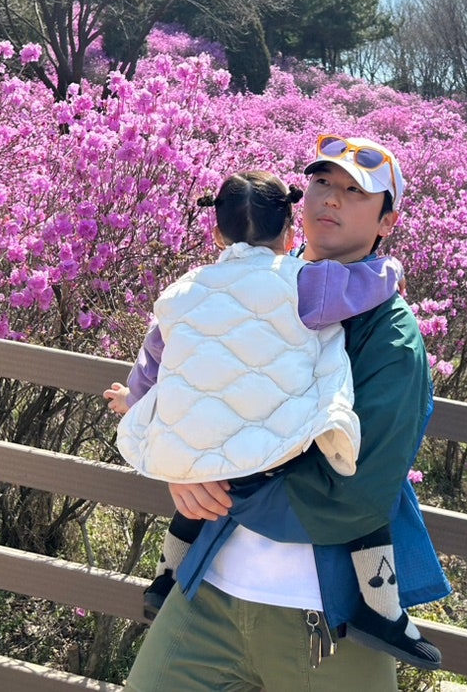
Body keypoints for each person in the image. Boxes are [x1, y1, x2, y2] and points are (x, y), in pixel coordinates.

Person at [124, 136, 450, 692]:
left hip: (324, 620)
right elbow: (194, 393)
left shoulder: (391, 336)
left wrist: (217, 481)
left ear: (386, 222)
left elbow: (356, 493)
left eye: (356, 192)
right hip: (209, 594)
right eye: (323, 182)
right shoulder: (260, 289)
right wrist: (183, 471)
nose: (333, 199)